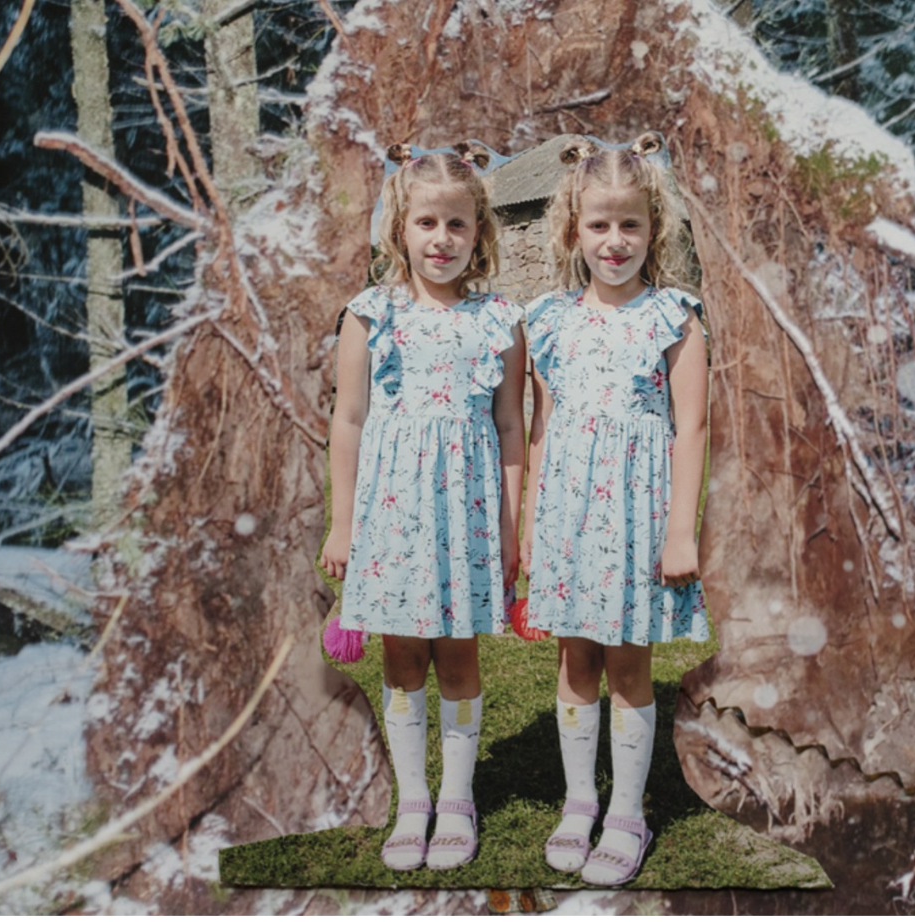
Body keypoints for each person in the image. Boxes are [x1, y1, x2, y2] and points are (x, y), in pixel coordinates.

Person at [320, 142, 525, 872]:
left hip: (466, 513)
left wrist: (510, 528)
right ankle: (414, 801)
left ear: (479, 234)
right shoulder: (369, 316)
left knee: (458, 653)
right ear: (399, 229)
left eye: (457, 226)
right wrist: (344, 525)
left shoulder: (501, 320)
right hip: (392, 514)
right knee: (403, 656)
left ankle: (459, 800)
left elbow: (509, 428)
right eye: (427, 223)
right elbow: (348, 421)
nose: (441, 239)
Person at [521, 132, 709, 886]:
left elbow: (691, 428)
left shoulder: (675, 318)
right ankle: (578, 803)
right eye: (599, 224)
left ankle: (627, 812)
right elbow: (540, 429)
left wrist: (680, 531)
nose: (615, 240)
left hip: (640, 516)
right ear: (574, 230)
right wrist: (532, 520)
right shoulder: (549, 320)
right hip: (568, 514)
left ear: (652, 229)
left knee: (629, 662)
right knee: (576, 659)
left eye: (630, 224)